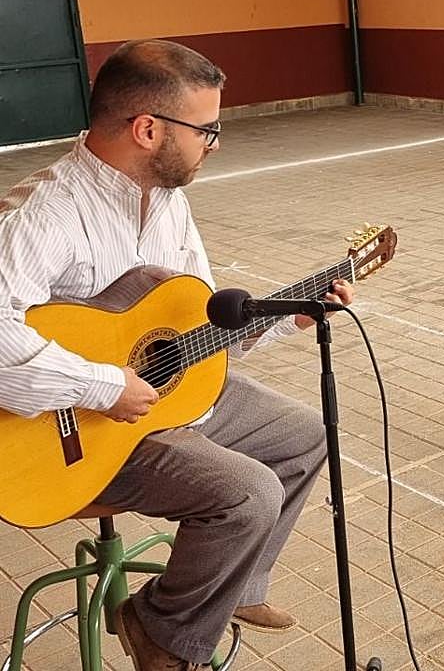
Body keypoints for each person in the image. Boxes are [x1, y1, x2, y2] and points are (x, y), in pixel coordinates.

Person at [0, 39, 354, 669]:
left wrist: (285, 317)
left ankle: (232, 590)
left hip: (154, 400)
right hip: (68, 436)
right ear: (147, 128)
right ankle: (162, 634)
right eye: (208, 130)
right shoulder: (43, 213)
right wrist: (104, 386)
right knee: (249, 492)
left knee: (306, 434)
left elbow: (201, 324)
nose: (214, 144)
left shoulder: (169, 202)